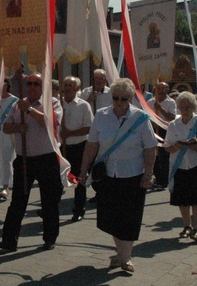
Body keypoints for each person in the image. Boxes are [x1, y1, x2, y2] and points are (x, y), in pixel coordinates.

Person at [78, 78, 157, 274]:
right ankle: (121, 253)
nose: (119, 102)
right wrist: (83, 170)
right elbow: (92, 145)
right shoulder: (101, 115)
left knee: (130, 216)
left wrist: (148, 174)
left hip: (133, 174)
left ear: (130, 98)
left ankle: (125, 257)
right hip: (107, 174)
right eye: (115, 98)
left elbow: (150, 148)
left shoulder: (141, 118)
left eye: (124, 98)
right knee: (111, 216)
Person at [0, 72, 63, 252]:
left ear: (43, 87)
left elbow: (50, 123)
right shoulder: (18, 104)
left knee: (48, 201)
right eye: (29, 83)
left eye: (36, 84)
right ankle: (9, 239)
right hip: (24, 159)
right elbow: (6, 127)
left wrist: (30, 111)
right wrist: (17, 127)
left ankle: (49, 237)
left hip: (46, 158)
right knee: (18, 201)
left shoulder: (52, 102)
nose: (32, 87)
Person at [164, 92, 197, 244]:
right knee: (183, 199)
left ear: (193, 107)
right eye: (181, 107)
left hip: (196, 164)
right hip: (179, 166)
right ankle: (186, 226)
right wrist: (175, 146)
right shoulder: (173, 124)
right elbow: (166, 146)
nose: (184, 110)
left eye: (188, 107)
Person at [60, 76, 93, 222]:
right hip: (61, 147)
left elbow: (88, 128)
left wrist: (70, 133)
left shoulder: (84, 105)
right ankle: (50, 208)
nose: (67, 87)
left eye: (71, 85)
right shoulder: (57, 103)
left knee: (78, 180)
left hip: (79, 147)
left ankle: (79, 210)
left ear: (77, 88)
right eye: (65, 84)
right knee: (56, 179)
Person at [0, 78, 17, 202]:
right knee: (0, 160)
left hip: (9, 134)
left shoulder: (14, 101)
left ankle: (6, 187)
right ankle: (5, 183)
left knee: (7, 160)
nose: (0, 85)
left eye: (3, 83)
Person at [147, 82, 176, 189]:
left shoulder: (171, 102)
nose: (161, 91)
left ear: (167, 90)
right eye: (159, 88)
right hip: (153, 130)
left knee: (164, 155)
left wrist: (160, 109)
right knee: (153, 155)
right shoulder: (150, 102)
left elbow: (171, 117)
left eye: (164, 88)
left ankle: (164, 180)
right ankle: (157, 178)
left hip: (165, 130)